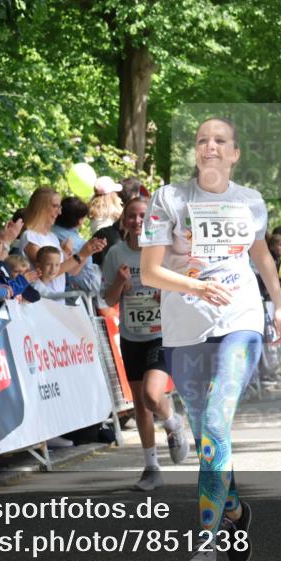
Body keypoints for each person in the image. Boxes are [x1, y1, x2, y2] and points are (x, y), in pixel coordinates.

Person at [140, 117, 281, 561]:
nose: (210, 147)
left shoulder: (250, 202)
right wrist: (194, 286)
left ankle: (205, 542)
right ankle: (238, 514)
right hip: (184, 328)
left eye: (220, 141)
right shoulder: (169, 200)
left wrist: (278, 305)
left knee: (219, 423)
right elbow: (149, 272)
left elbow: (261, 256)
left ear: (235, 153)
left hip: (240, 320)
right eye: (202, 140)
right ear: (194, 151)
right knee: (211, 439)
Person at [102, 197, 190, 490]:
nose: (137, 221)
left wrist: (164, 295)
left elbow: (182, 288)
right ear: (123, 221)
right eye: (131, 216)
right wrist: (119, 283)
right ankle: (151, 468)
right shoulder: (116, 253)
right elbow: (109, 300)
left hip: (161, 334)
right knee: (140, 403)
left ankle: (172, 420)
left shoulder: (162, 251)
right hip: (131, 336)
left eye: (143, 216)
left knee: (153, 396)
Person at [18, 186, 105, 292]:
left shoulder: (52, 237)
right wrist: (80, 255)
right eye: (55, 206)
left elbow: (72, 270)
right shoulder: (29, 236)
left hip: (57, 300)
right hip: (42, 300)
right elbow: (47, 272)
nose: (59, 212)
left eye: (59, 208)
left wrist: (87, 251)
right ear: (41, 207)